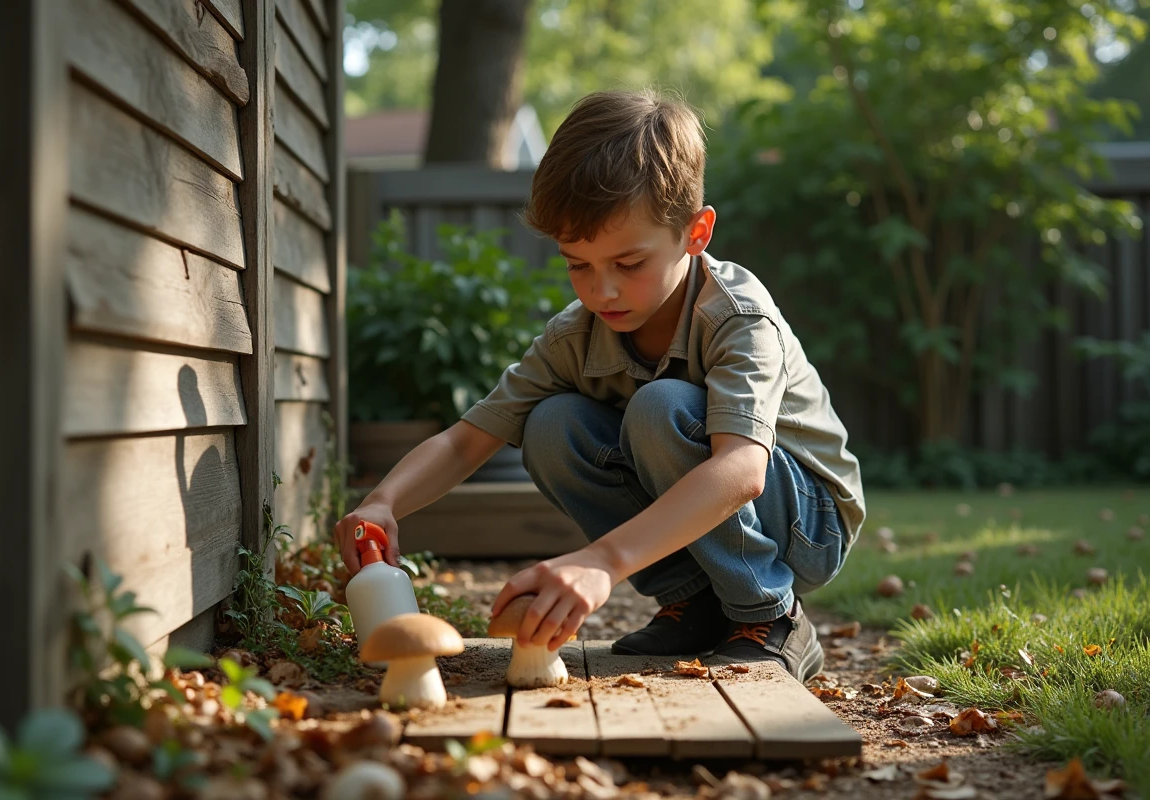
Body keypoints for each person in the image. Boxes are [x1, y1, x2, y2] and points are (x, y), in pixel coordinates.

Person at [335, 89, 865, 681]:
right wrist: (382, 502)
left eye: (629, 264)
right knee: (550, 424)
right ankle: (694, 602)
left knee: (660, 407)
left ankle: (771, 614)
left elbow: (742, 470)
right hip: (721, 504)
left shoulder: (736, 318)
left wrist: (603, 562)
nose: (601, 291)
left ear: (696, 233)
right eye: (577, 264)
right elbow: (467, 441)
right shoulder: (577, 337)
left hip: (806, 521)